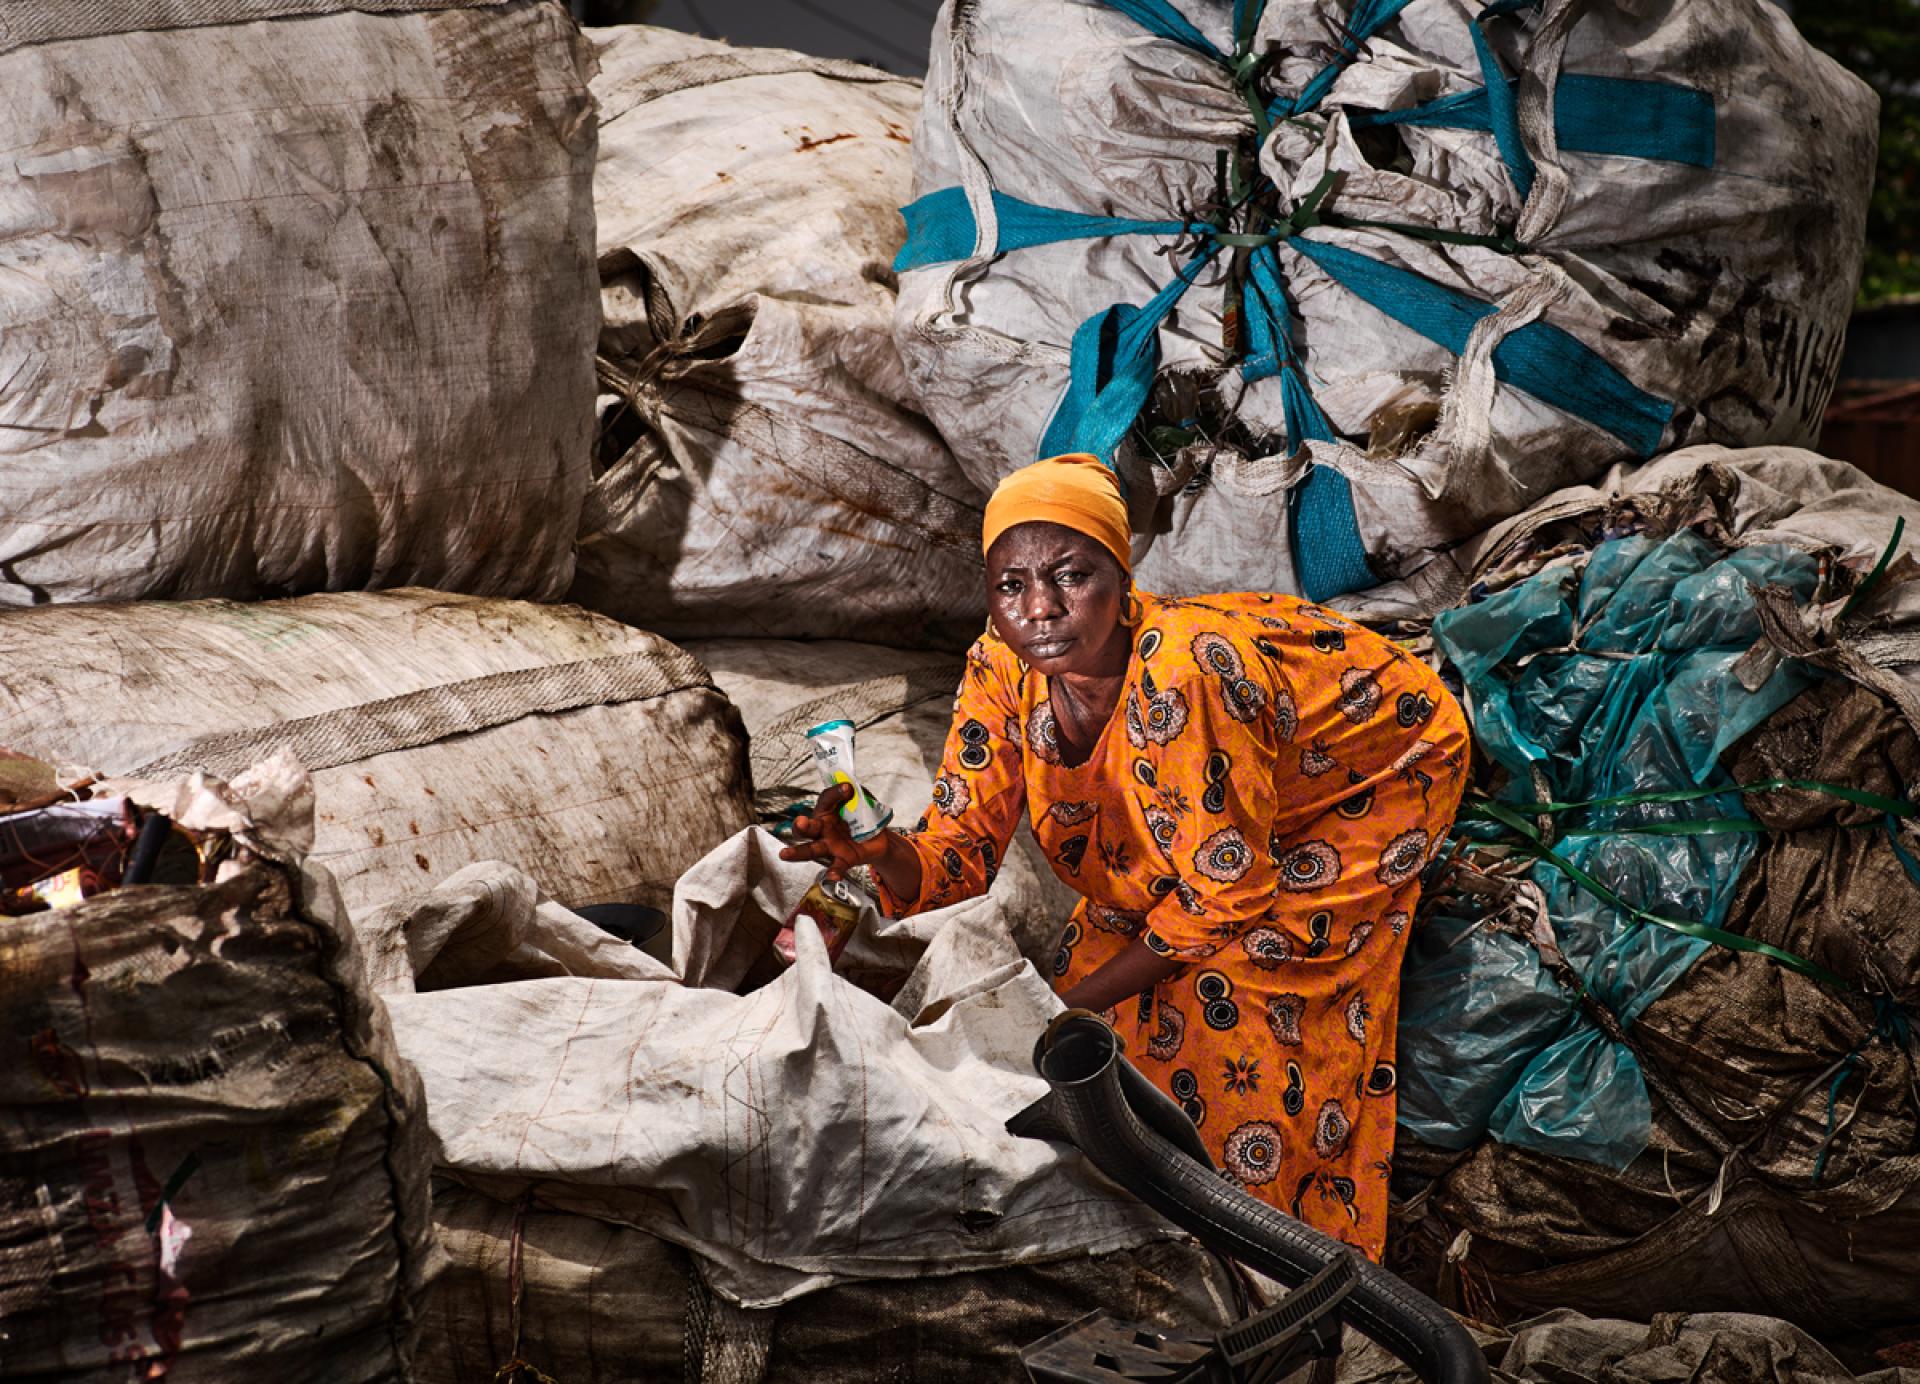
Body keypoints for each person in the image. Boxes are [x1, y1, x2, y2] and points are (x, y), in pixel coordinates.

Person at [781, 452, 1469, 1259]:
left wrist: (1070, 1007)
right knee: (1109, 1000)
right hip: (1226, 794)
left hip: (1373, 774)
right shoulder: (1001, 666)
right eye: (1011, 586)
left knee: (1242, 996)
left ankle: (1298, 1266)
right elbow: (958, 853)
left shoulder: (1179, 675)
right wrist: (876, 849)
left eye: (1071, 576)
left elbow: (1227, 895)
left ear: (1122, 574)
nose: (1039, 608)